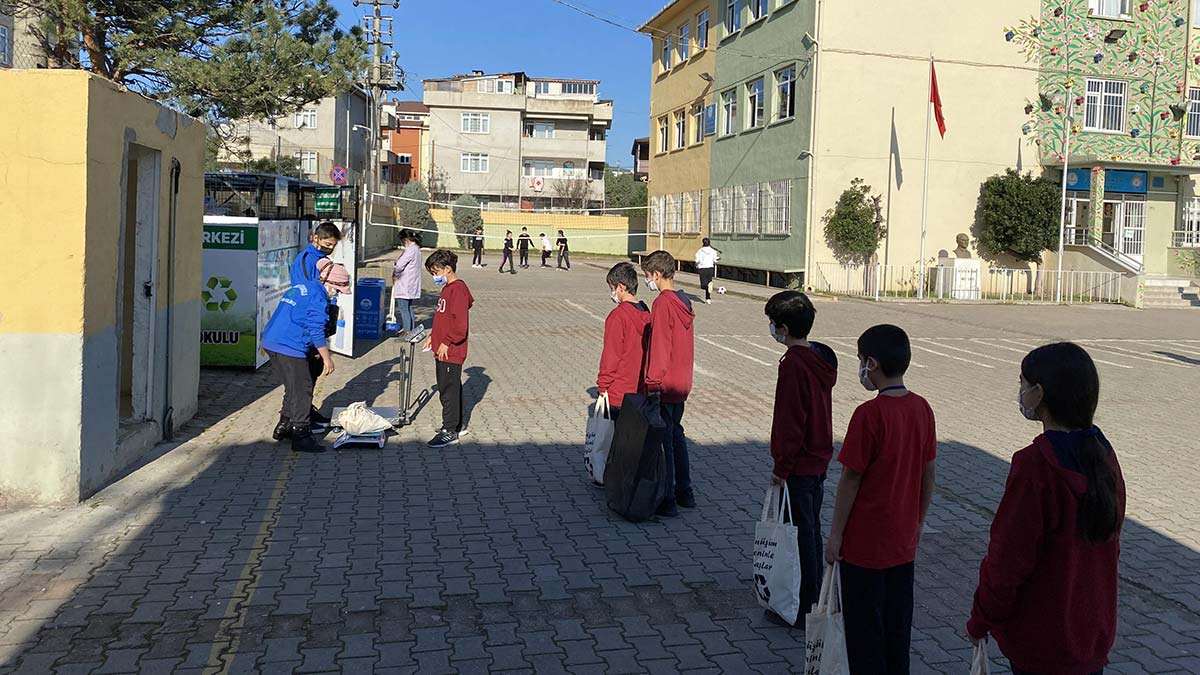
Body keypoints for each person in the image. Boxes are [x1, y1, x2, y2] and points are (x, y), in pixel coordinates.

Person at [967, 343, 1125, 675]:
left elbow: (1008, 559)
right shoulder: (1104, 455)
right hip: (1090, 634)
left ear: (1039, 393)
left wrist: (981, 618)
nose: (1019, 391)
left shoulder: (1036, 466)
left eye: (1023, 383)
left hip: (1042, 641)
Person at [826, 324, 936, 675]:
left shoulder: (869, 415)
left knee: (863, 632)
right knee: (896, 627)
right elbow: (928, 472)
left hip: (865, 546)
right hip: (903, 542)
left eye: (860, 360)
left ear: (871, 363)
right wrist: (919, 519)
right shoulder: (922, 408)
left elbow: (850, 478)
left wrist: (836, 536)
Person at [765, 291, 838, 619]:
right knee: (808, 528)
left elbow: (792, 419)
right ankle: (809, 594)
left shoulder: (794, 364)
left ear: (783, 327)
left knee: (800, 533)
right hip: (817, 458)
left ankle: (805, 602)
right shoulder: (819, 357)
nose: (771, 329)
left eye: (773, 324)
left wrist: (782, 465)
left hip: (800, 462)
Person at [262, 257, 352, 453]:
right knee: (303, 388)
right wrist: (326, 357)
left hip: (272, 340)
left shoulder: (305, 287)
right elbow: (316, 329)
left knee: (293, 386)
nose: (337, 294)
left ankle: (284, 425)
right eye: (338, 290)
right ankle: (301, 434)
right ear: (330, 283)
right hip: (289, 345)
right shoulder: (318, 297)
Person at [641, 250, 695, 517]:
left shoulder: (663, 304)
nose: (647, 282)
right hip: (682, 381)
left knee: (665, 444)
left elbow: (661, 346)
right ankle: (686, 491)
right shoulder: (684, 301)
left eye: (647, 277)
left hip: (665, 383)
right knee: (677, 435)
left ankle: (668, 497)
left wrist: (652, 383)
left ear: (657, 275)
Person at [288, 221, 343, 431]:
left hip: (319, 316)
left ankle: (307, 410)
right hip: (307, 322)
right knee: (307, 373)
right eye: (327, 244)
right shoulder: (306, 260)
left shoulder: (322, 259)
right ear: (316, 239)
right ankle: (298, 419)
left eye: (333, 245)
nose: (330, 248)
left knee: (314, 369)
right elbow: (306, 293)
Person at [424, 250, 475, 448]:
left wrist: (447, 341)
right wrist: (433, 337)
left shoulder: (458, 290)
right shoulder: (447, 289)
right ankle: (457, 424)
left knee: (448, 390)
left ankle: (449, 430)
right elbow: (443, 318)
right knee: (451, 387)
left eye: (436, 272)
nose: (435, 276)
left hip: (451, 350)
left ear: (448, 269)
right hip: (441, 347)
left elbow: (460, 325)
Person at [597, 262, 651, 422]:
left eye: (612, 288)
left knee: (613, 442)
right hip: (640, 391)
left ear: (621, 287)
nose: (612, 293)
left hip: (618, 392)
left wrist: (603, 384)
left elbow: (611, 355)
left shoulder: (618, 316)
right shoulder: (646, 312)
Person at [391, 229, 422, 338]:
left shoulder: (410, 250)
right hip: (411, 283)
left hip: (405, 283)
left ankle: (407, 331)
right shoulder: (416, 250)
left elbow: (399, 265)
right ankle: (411, 329)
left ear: (406, 240)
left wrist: (395, 271)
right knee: (409, 307)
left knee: (404, 308)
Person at [694, 238, 722, 305]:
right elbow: (715, 260)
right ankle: (708, 298)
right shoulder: (713, 251)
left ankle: (708, 292)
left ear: (703, 243)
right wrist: (718, 258)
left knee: (703, 285)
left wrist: (696, 263)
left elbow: (697, 260)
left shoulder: (700, 251)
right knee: (708, 284)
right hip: (710, 268)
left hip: (703, 268)